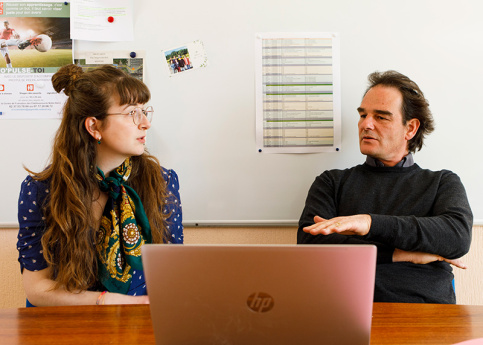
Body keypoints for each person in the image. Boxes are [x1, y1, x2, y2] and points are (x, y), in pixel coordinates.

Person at [298, 70, 472, 304]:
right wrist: (400, 254)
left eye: (381, 117)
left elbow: (456, 237)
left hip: (425, 315)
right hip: (344, 309)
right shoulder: (331, 182)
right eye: (363, 115)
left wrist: (368, 223)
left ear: (410, 128)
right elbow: (311, 245)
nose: (366, 124)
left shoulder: (442, 182)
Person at [17, 64, 183, 307]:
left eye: (144, 111)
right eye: (131, 113)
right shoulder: (41, 189)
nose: (145, 122)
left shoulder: (162, 181)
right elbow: (38, 290)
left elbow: (172, 271)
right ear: (94, 126)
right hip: (65, 322)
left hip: (139, 318)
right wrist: (108, 302)